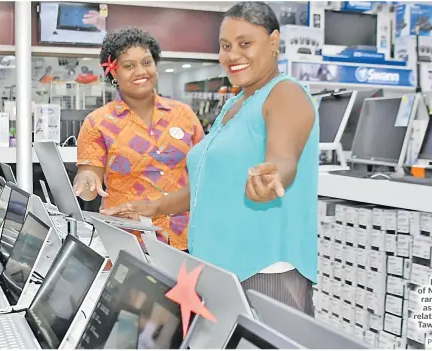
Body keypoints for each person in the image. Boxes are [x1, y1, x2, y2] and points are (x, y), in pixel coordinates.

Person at [103, 2, 319, 315]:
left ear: (273, 41)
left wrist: (275, 177)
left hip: (263, 272)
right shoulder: (234, 106)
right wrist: (153, 208)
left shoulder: (285, 93)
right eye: (225, 46)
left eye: (245, 44)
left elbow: (283, 160)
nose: (233, 55)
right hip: (218, 268)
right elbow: (209, 185)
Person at [74, 27, 204, 252]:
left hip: (186, 237)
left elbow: (204, 174)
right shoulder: (98, 122)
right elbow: (90, 184)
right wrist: (86, 179)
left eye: (146, 62)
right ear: (113, 72)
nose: (140, 71)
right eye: (128, 65)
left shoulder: (184, 114)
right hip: (129, 241)